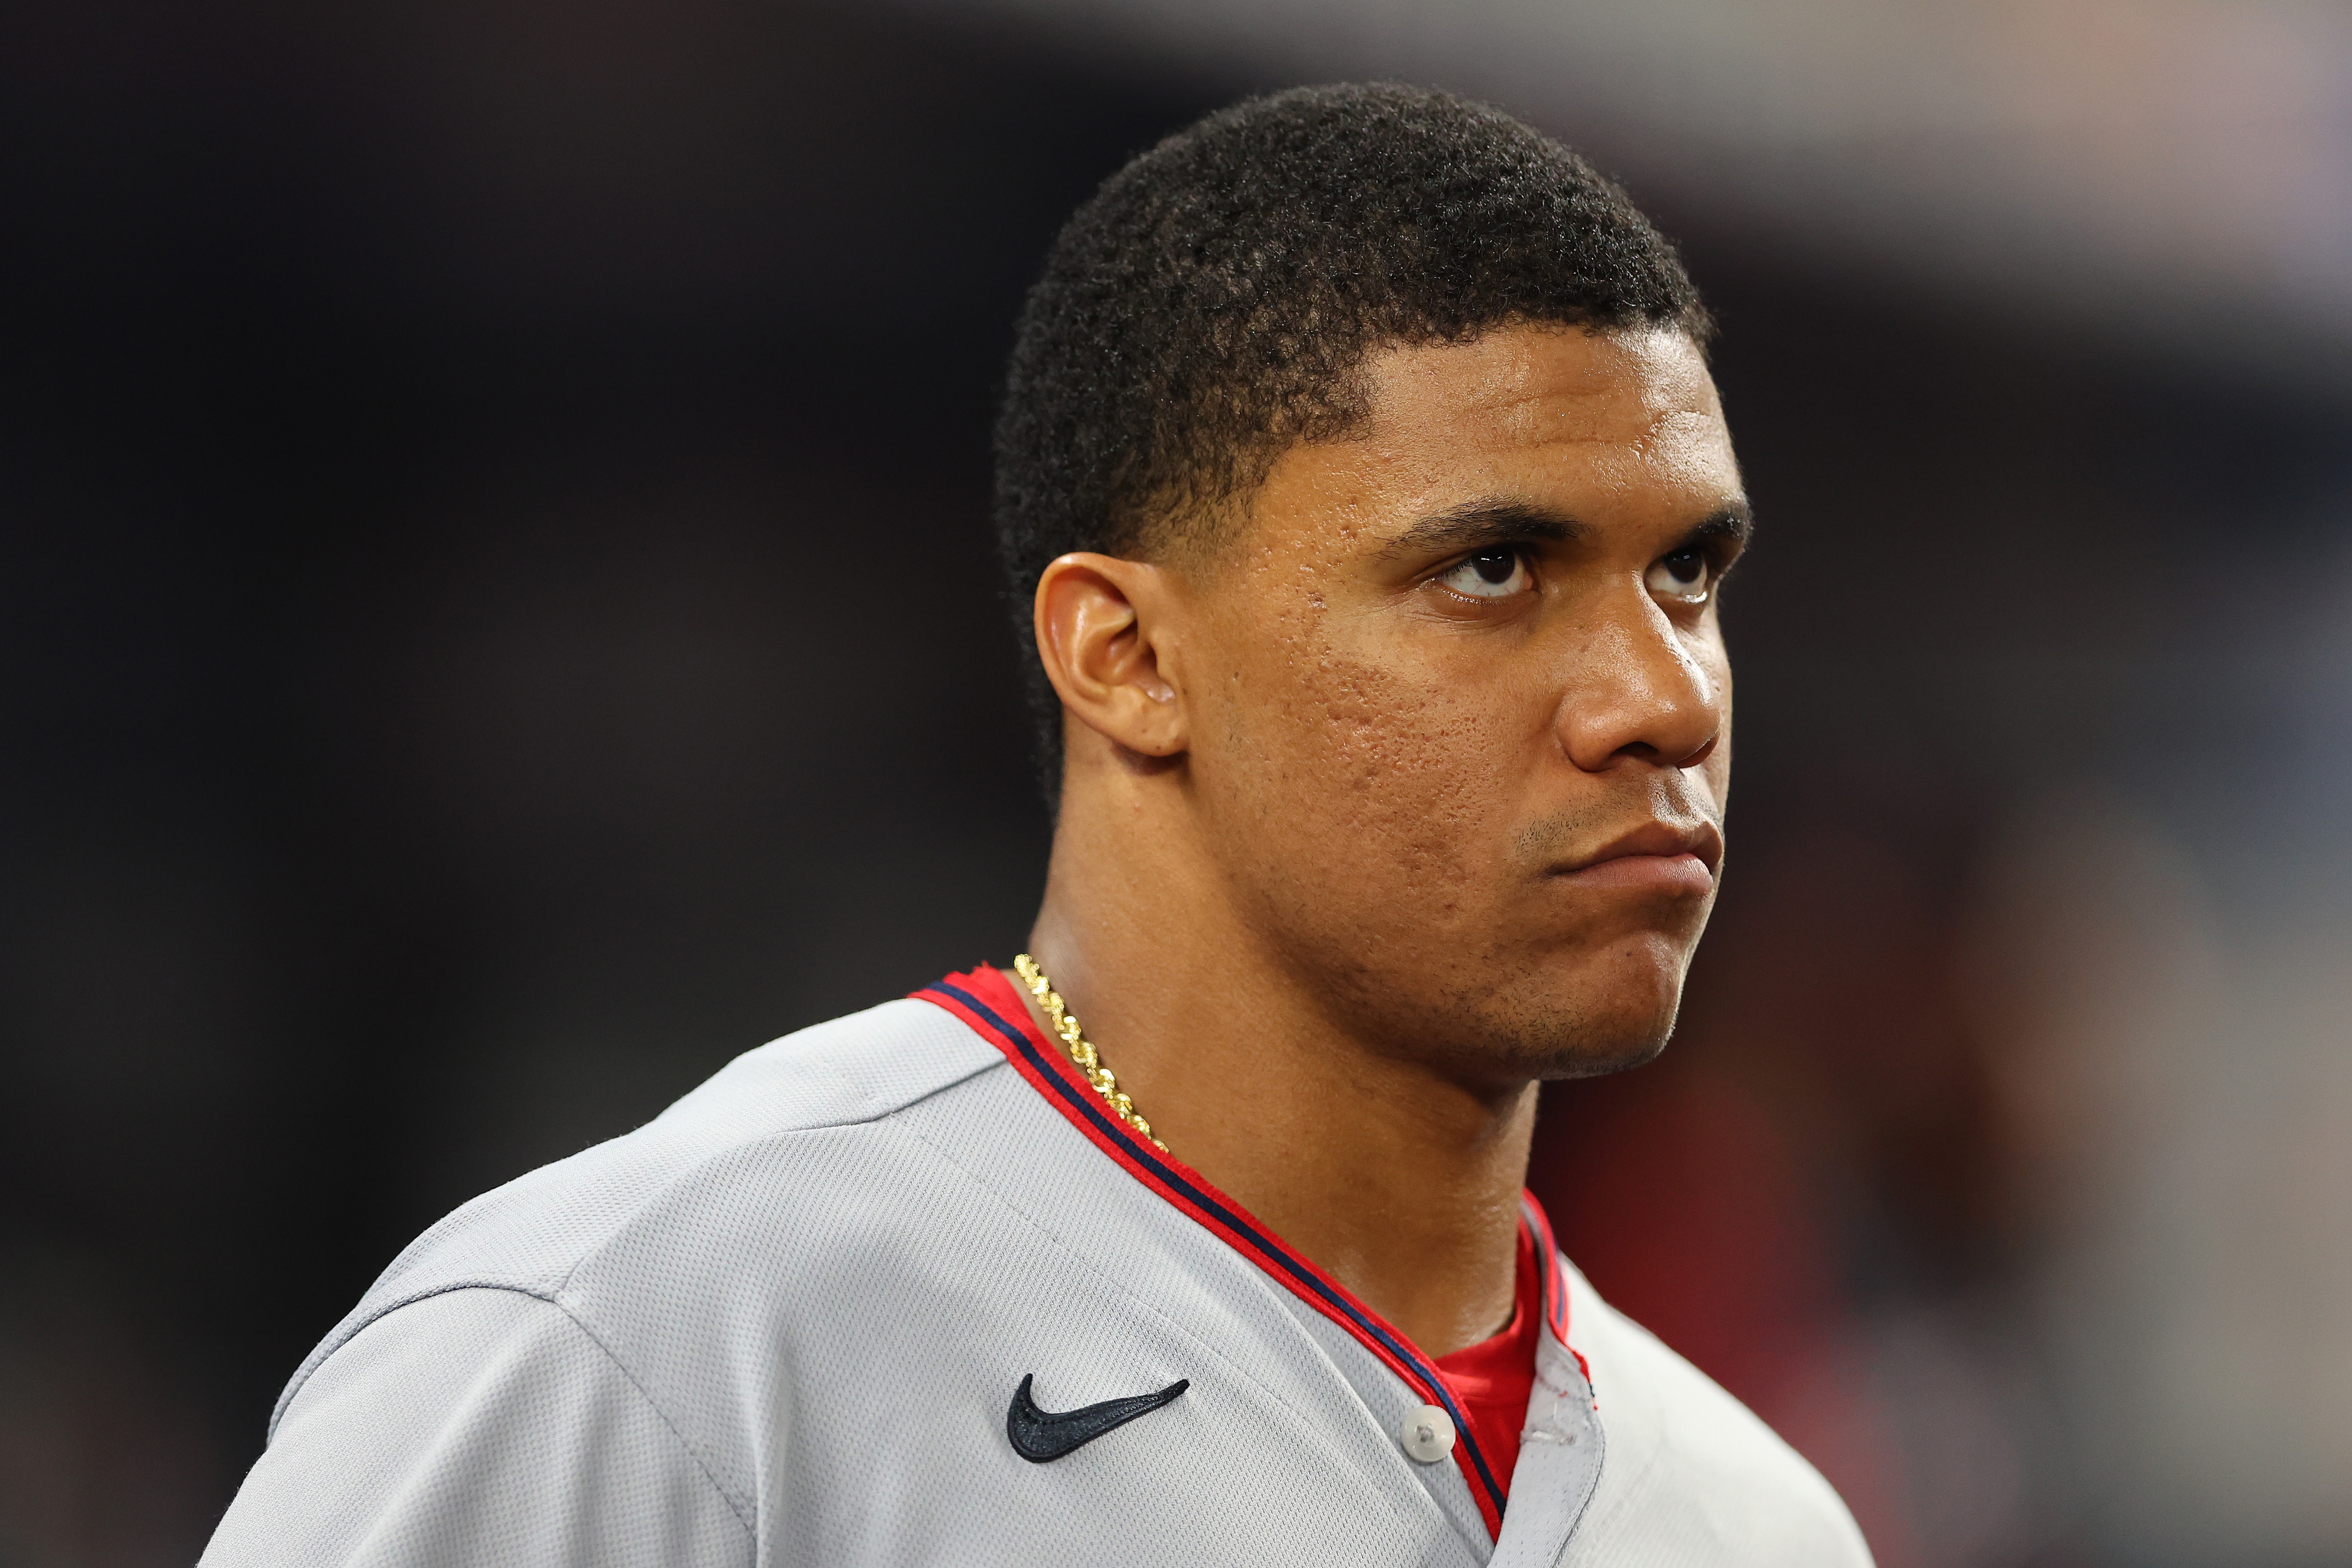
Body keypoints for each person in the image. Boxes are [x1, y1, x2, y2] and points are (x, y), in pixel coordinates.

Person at [202, 83, 1871, 1566]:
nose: (1669, 701)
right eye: (1492, 569)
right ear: (1128, 655)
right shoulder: (658, 1348)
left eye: (1688, 576)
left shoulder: (1759, 1522)